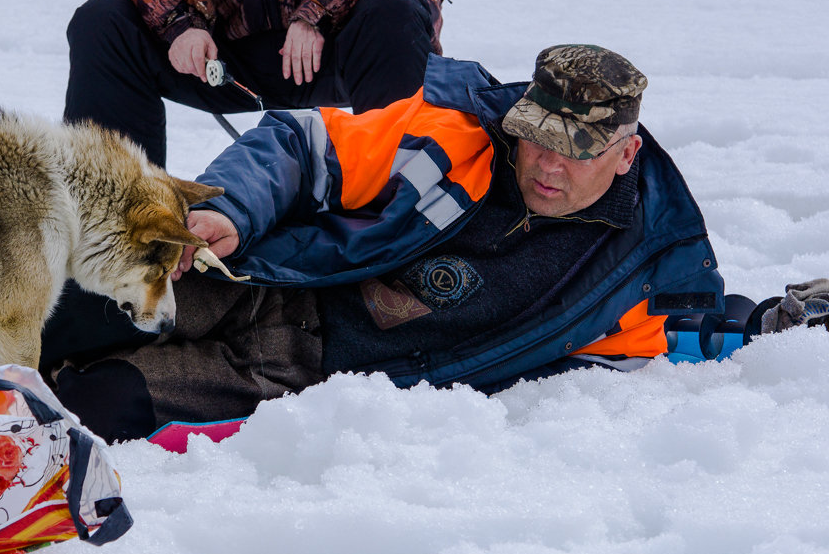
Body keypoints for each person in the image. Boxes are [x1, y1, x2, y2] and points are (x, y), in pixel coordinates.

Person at [41, 44, 728, 443]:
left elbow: (695, 322)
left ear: (627, 153)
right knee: (69, 313)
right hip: (269, 279)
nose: (548, 165)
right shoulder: (454, 133)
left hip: (308, 377)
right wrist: (233, 213)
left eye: (576, 151)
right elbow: (300, 143)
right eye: (537, 139)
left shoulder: (634, 272)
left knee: (94, 409)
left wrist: (773, 321)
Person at [64, 0, 469, 170]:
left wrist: (318, 9)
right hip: (219, 48)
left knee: (395, 10)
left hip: (349, 36)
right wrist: (180, 21)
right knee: (104, 23)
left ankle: (405, 237)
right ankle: (114, 248)